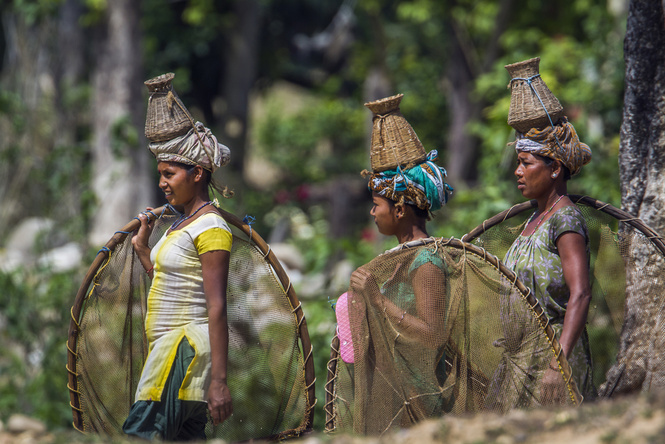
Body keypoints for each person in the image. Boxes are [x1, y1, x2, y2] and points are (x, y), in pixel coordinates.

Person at [334, 94, 463, 435]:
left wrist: (377, 301)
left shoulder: (426, 261)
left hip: (422, 404)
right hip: (396, 399)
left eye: (377, 204)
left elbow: (433, 335)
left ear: (401, 209)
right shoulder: (396, 259)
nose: (373, 212)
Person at [122, 121, 234, 440]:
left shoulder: (211, 227)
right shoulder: (184, 223)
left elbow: (216, 306)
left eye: (169, 174)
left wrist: (219, 382)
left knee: (142, 434)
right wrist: (143, 250)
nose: (162, 183)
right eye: (160, 174)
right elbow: (174, 283)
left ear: (197, 173)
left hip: (183, 351)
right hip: (171, 350)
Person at [502, 117, 596, 402]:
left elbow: (580, 294)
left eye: (526, 163)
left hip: (553, 354)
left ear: (554, 168)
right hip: (523, 357)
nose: (518, 172)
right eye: (518, 163)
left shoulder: (564, 218)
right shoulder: (533, 219)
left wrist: (559, 364)